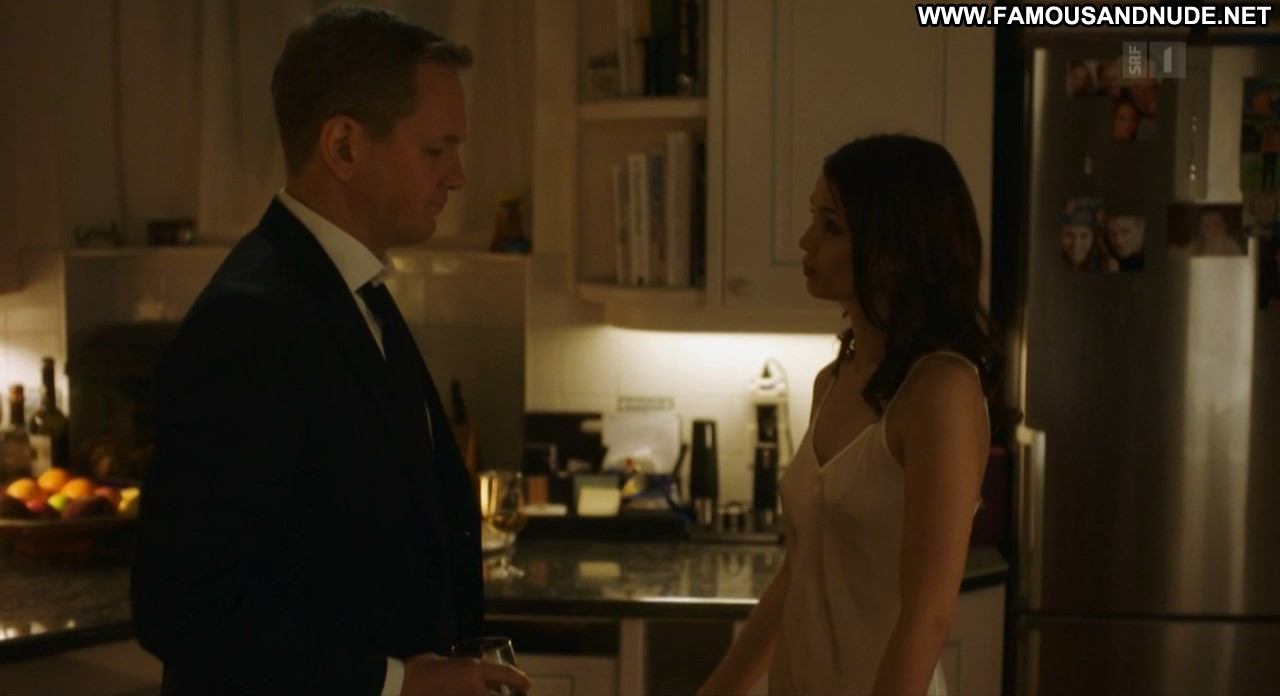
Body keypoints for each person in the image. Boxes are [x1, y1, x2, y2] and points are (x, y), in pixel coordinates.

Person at [130, 6, 532, 696]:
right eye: (436, 151)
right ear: (343, 146)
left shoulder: (347, 290)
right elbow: (185, 610)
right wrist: (396, 683)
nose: (458, 176)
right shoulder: (248, 323)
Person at [698, 135, 1002, 696]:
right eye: (814, 218)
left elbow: (929, 615)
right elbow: (797, 576)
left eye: (831, 226)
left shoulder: (941, 391)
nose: (805, 241)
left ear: (895, 248)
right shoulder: (832, 381)